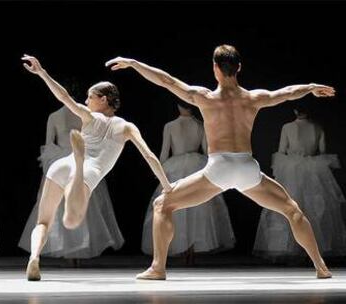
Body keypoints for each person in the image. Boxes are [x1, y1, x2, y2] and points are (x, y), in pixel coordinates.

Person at [106, 44, 335, 279]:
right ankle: (321, 267)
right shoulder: (254, 98)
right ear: (239, 68)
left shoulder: (204, 97)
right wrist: (310, 88)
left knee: (163, 205)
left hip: (219, 168)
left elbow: (167, 81)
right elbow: (286, 93)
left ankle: (158, 268)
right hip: (247, 167)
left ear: (215, 68)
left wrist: (134, 64)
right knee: (292, 211)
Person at [22, 55, 172, 281]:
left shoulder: (89, 117)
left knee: (43, 222)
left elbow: (64, 97)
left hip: (61, 165)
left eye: (90, 97)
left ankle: (35, 256)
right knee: (72, 220)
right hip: (87, 172)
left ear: (102, 99)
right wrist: (167, 185)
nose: (86, 100)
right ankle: (80, 162)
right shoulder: (127, 127)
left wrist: (42, 72)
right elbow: (150, 156)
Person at [18, 104, 124, 266]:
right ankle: (77, 255)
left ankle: (35, 256)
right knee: (81, 210)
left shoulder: (54, 116)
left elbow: (48, 148)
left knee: (47, 218)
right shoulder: (88, 116)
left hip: (59, 164)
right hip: (82, 164)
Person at [141, 101, 235, 263]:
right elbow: (207, 151)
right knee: (199, 206)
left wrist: (159, 171)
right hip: (198, 165)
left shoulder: (170, 126)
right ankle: (192, 248)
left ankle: (181, 247)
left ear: (178, 106)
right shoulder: (201, 125)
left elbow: (164, 152)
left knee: (176, 206)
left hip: (175, 167)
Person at [254, 103, 346, 260]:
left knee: (290, 206)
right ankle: (314, 250)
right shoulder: (317, 127)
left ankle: (291, 249)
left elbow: (282, 149)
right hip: (313, 170)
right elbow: (322, 151)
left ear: (295, 111)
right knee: (316, 207)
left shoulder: (288, 127)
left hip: (292, 170)